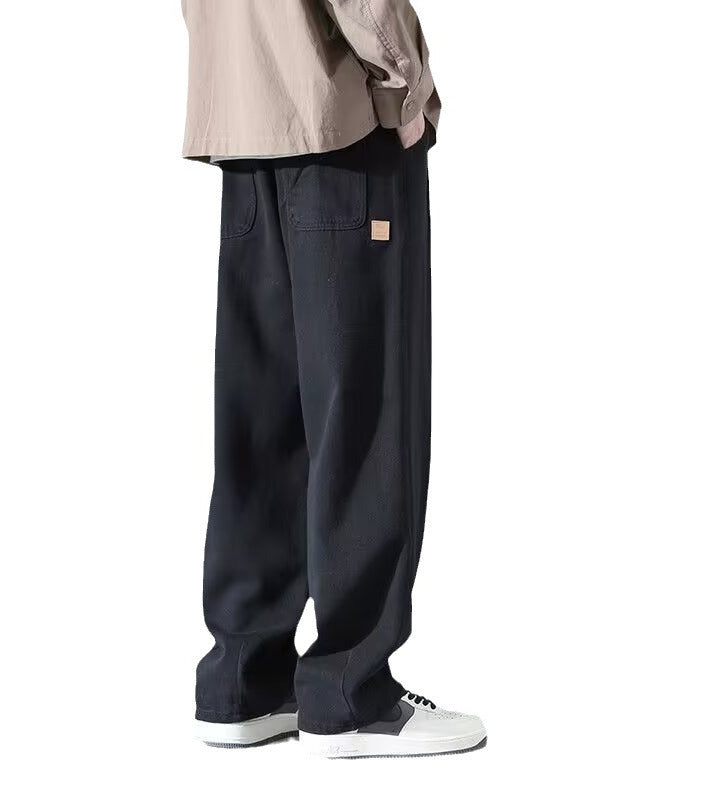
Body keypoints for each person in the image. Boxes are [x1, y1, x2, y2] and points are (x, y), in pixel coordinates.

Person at [182, 0, 485, 758]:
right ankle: (350, 692)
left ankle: (245, 681)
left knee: (262, 418)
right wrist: (407, 86)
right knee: (367, 412)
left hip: (241, 119)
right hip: (340, 124)